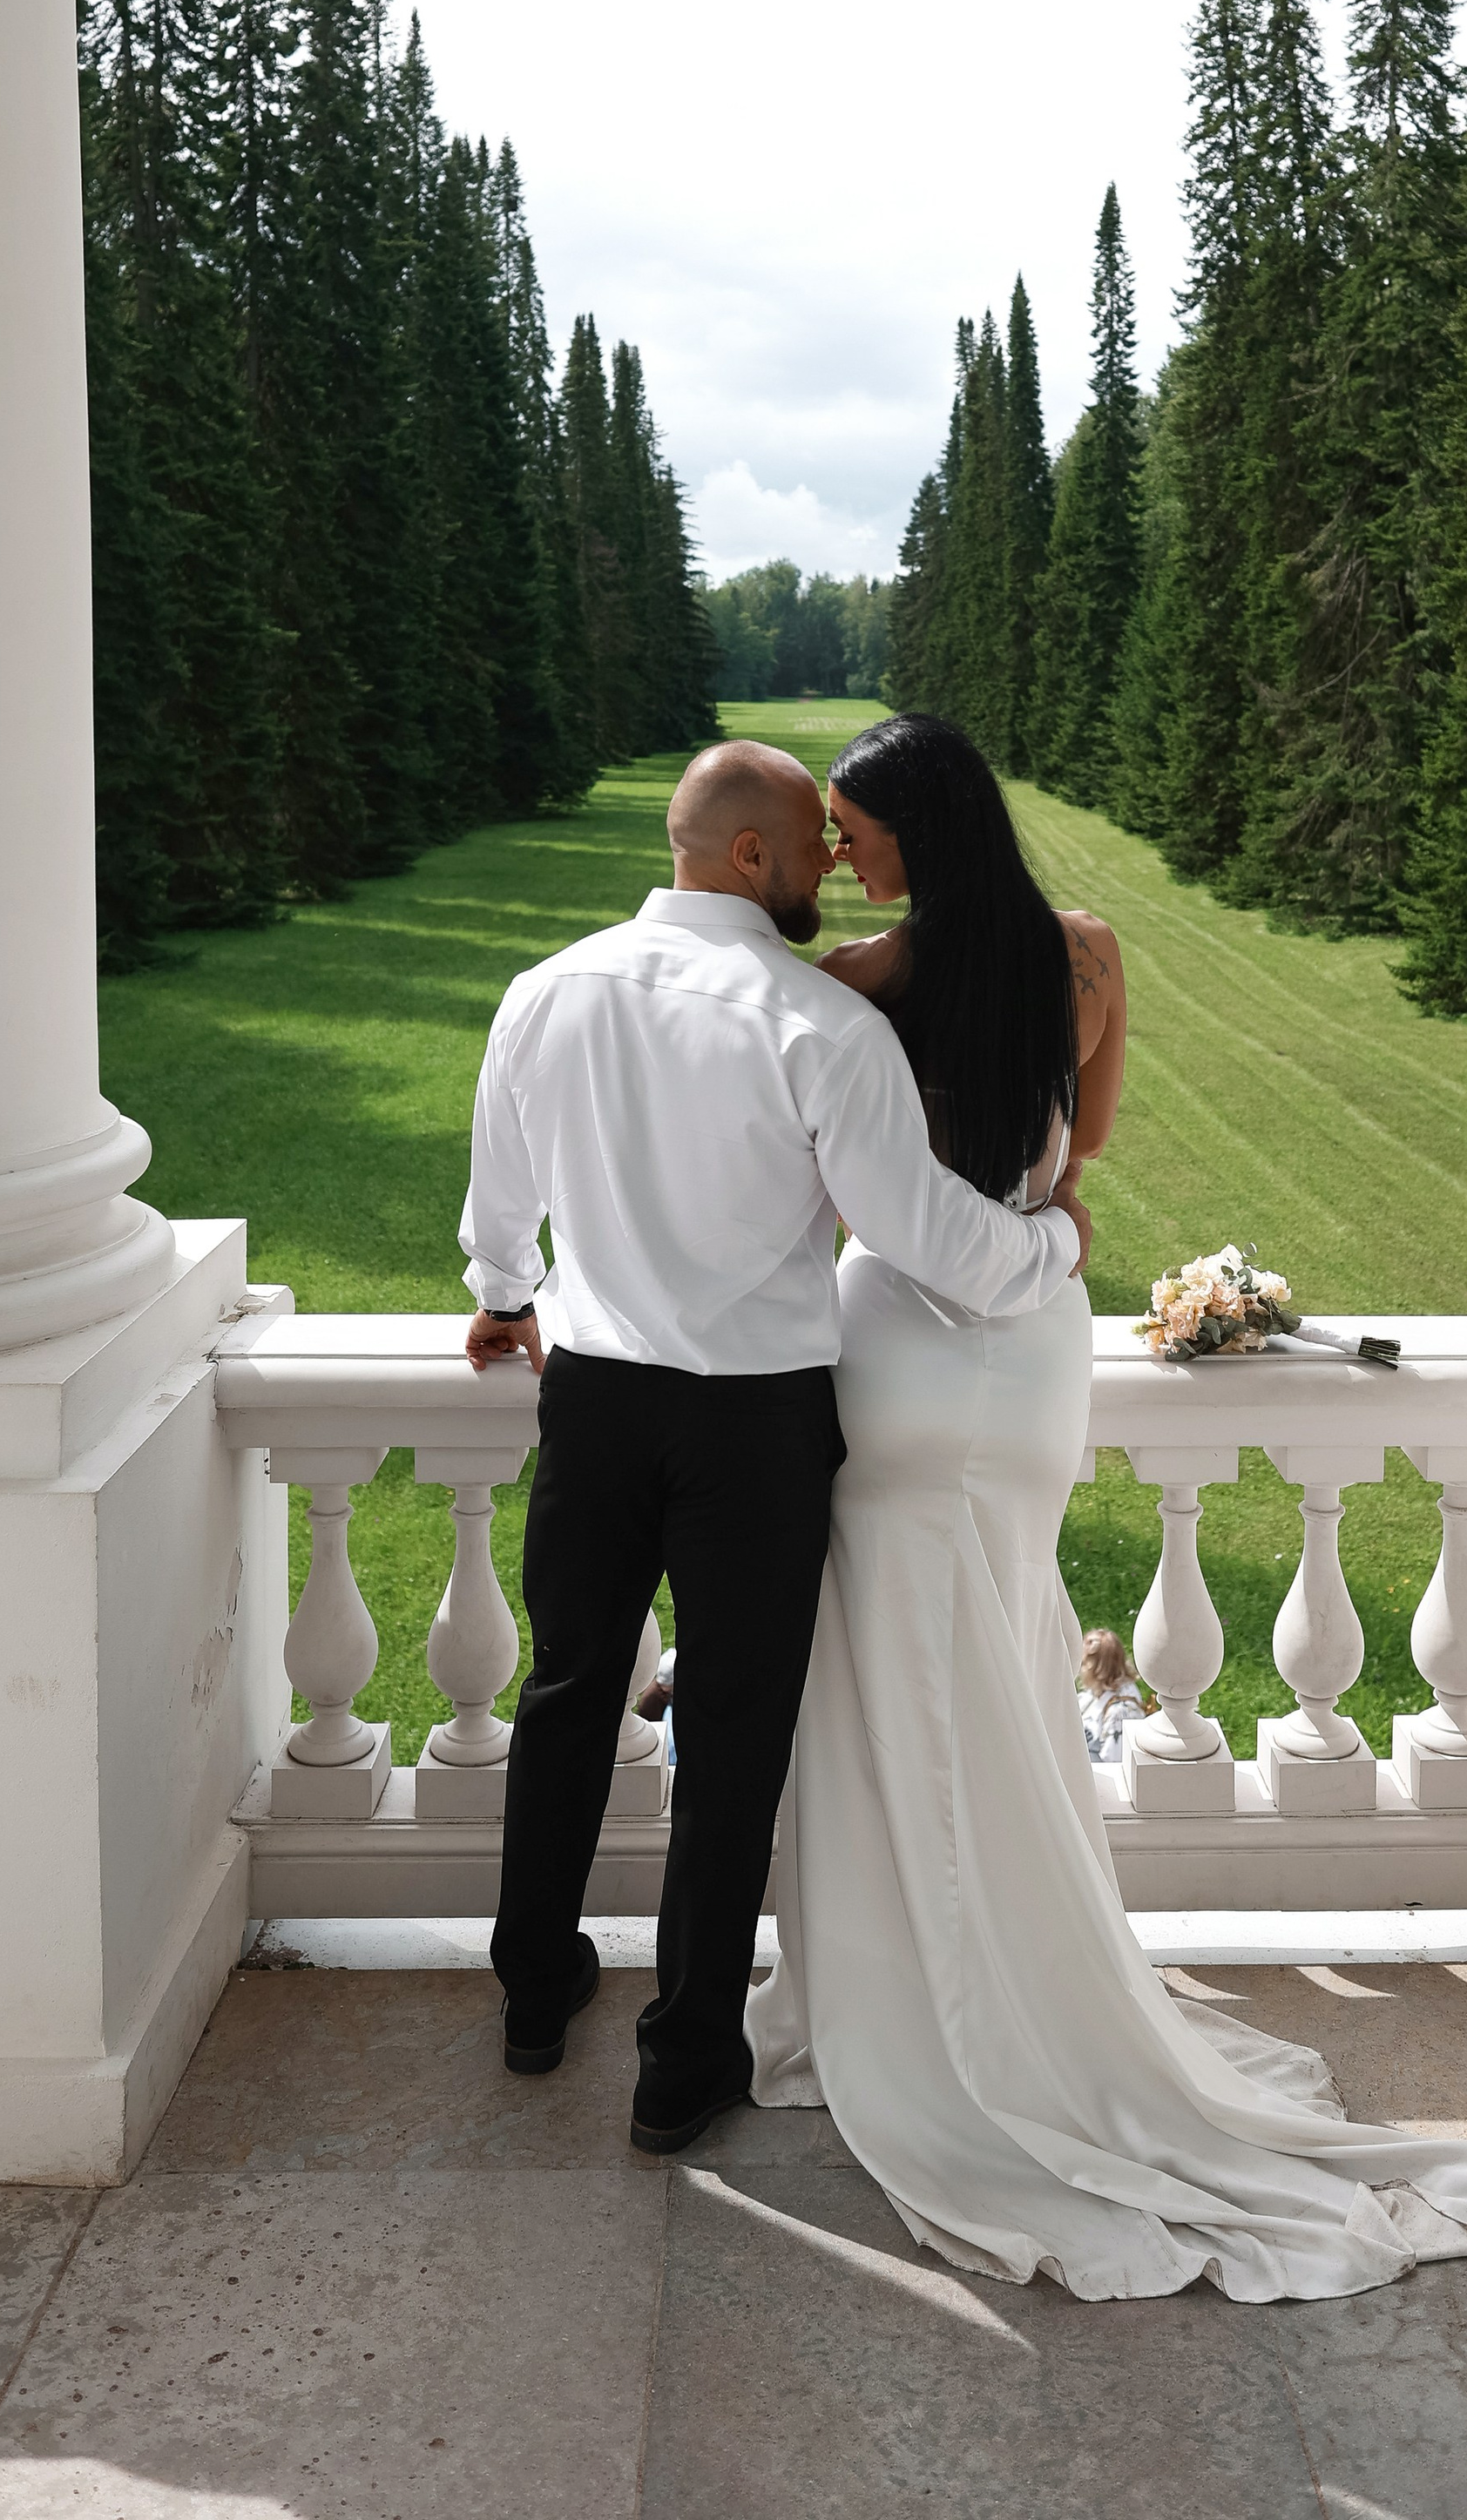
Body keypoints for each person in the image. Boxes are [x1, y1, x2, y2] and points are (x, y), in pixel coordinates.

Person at [746, 710, 1467, 2302]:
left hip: (902, 1345)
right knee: (1004, 1637)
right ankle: (1028, 1965)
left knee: (900, 1670)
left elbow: (837, 1187)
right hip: (1034, 1359)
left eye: (855, 830)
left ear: (917, 831)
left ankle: (916, 1993)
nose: (841, 854)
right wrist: (1040, 1216)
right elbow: (1088, 1149)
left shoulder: (854, 983)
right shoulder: (1088, 953)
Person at [459, 736, 1089, 2155]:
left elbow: (502, 1203)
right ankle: (684, 2061)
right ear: (749, 855)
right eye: (815, 841)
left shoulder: (546, 992)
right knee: (736, 1737)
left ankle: (534, 1989)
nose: (833, 868)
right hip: (755, 1419)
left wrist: (504, 1298)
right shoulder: (817, 1026)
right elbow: (929, 1241)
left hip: (597, 1399)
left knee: (567, 1692)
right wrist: (1055, 1242)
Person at [1077, 1626, 1147, 1764]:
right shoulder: (1094, 1694)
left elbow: (1113, 1764)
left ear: (1096, 1668)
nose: (1080, 1670)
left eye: (1083, 1664)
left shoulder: (1121, 1712)